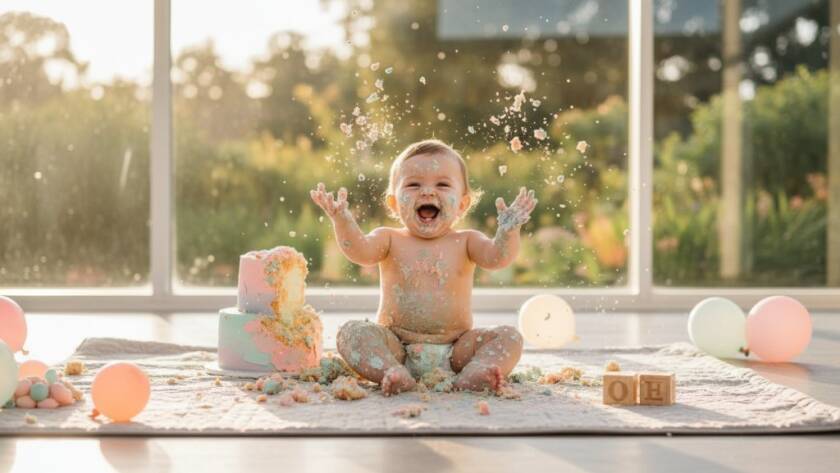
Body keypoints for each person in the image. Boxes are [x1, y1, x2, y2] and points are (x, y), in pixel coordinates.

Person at [310, 139, 537, 395]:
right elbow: (360, 251)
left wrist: (509, 230)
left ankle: (477, 370)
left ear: (462, 204)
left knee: (510, 337)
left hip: (457, 350)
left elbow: (498, 258)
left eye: (442, 184)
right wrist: (342, 220)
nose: (428, 192)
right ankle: (390, 372)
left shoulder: (467, 240)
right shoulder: (389, 238)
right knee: (351, 333)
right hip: (396, 347)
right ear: (394, 203)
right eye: (413, 184)